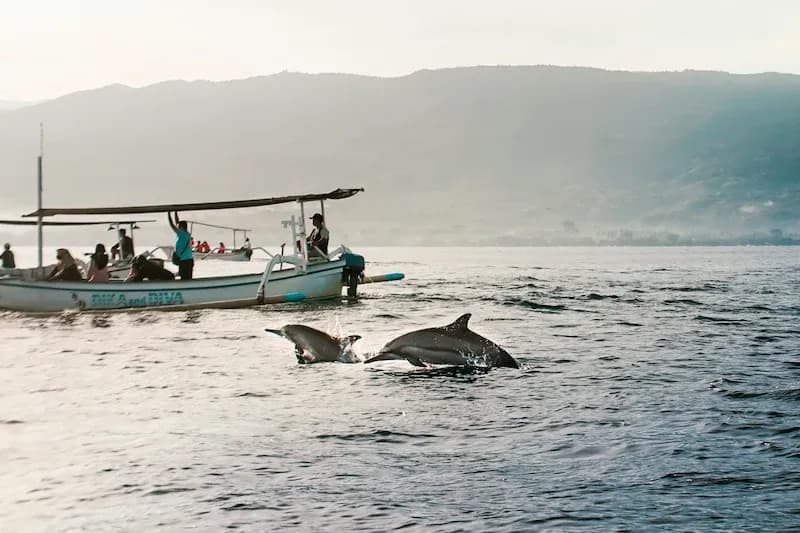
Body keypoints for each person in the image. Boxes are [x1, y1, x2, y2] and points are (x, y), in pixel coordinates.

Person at [168, 212, 194, 280]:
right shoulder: (186, 234)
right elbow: (177, 222)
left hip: (184, 261)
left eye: (179, 226)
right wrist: (175, 212)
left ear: (181, 227)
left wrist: (168, 213)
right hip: (188, 260)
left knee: (184, 279)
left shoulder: (180, 233)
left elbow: (172, 224)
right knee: (188, 279)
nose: (178, 227)